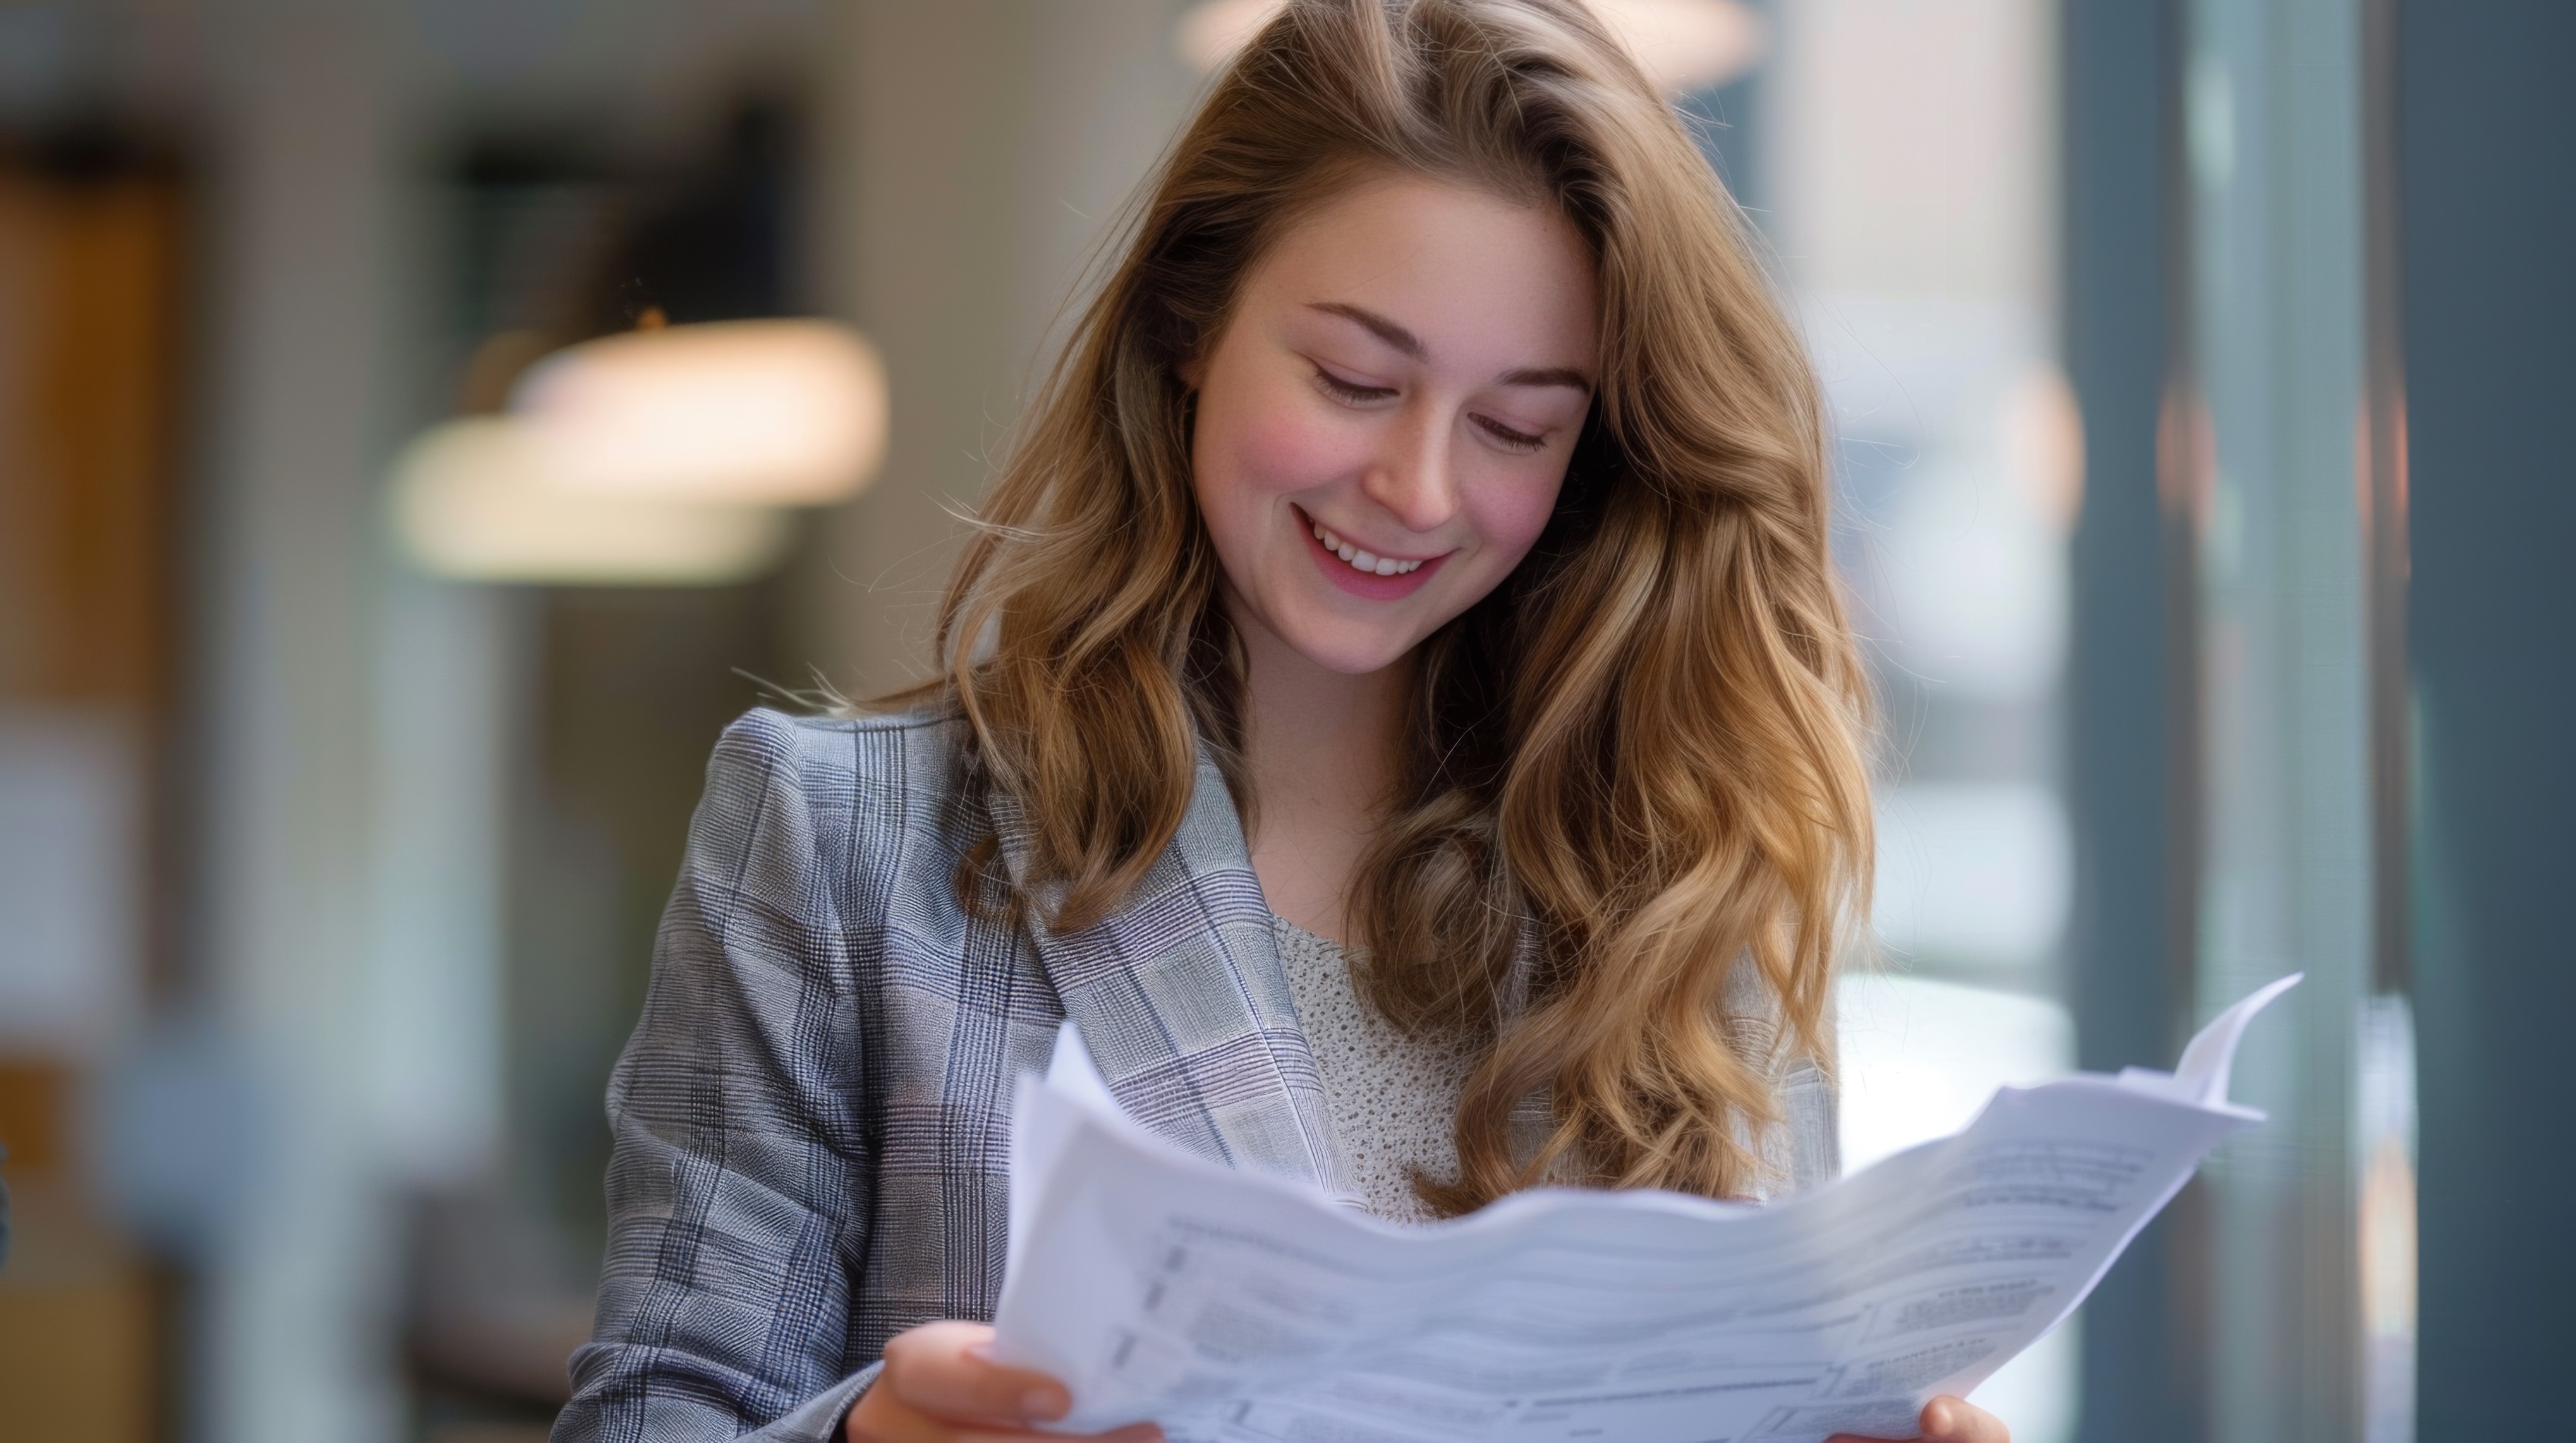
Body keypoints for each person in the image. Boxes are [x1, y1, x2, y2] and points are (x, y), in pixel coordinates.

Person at [552, 3, 2008, 1440]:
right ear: (1190, 320)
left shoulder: (1685, 882)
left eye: (1516, 426)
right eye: (1354, 380)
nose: (1421, 489)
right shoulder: (846, 840)